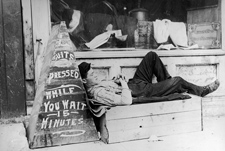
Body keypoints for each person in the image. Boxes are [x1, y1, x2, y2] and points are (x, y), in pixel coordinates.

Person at [78, 51, 220, 143]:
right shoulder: (98, 93)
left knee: (151, 56)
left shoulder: (96, 84)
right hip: (140, 92)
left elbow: (113, 86)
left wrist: (117, 80)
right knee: (178, 81)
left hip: (135, 84)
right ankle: (200, 91)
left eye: (94, 72)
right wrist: (123, 84)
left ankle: (167, 87)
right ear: (84, 81)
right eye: (92, 74)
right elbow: (126, 100)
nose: (95, 75)